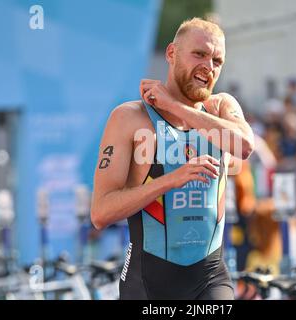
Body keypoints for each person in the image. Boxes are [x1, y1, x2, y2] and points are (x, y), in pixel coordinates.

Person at [90, 17, 255, 300]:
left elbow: (243, 145)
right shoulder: (130, 118)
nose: (209, 66)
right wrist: (170, 180)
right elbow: (101, 213)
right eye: (200, 54)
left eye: (217, 60)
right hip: (148, 282)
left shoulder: (221, 107)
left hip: (210, 278)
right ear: (171, 54)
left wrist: (176, 106)